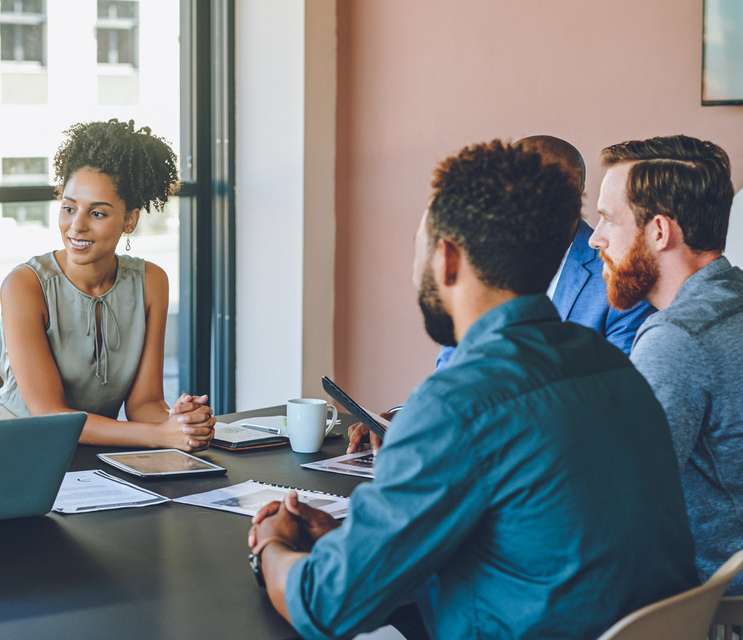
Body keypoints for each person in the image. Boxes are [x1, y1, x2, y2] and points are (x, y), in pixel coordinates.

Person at [247, 140, 697, 639]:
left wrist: (270, 544)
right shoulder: (615, 368)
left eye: (418, 247)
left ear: (447, 259)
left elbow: (326, 603)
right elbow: (537, 538)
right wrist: (365, 544)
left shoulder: (459, 405)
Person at [589, 134, 743, 595]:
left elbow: (619, 498)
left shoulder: (678, 338)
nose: (595, 239)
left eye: (607, 219)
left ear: (659, 232)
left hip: (734, 609)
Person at [349, 135, 653, 453]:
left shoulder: (619, 280)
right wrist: (403, 419)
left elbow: (618, 412)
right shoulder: (484, 269)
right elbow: (451, 377)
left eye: (546, 190)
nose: (528, 202)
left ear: (576, 200)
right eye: (517, 190)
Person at [0, 119, 214, 450]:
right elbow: (49, 415)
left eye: (97, 214)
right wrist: (159, 435)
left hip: (99, 459)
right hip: (20, 455)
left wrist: (180, 422)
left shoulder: (151, 282)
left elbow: (144, 403)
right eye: (69, 208)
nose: (76, 226)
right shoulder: (24, 286)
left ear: (130, 220)